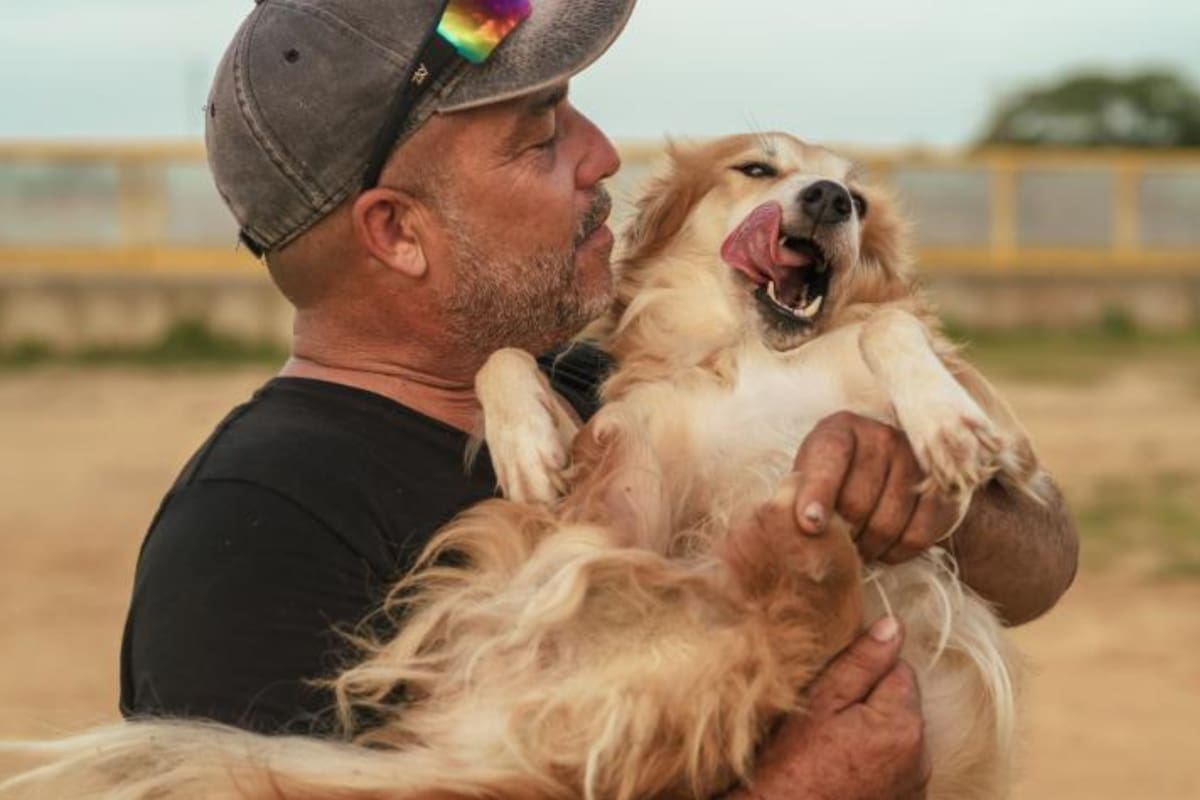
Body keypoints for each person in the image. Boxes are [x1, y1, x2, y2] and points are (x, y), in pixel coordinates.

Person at [119, 1, 1079, 797]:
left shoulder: (604, 379)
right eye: (540, 137)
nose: (606, 155)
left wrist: (930, 497)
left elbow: (1043, 568)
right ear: (398, 232)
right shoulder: (250, 534)